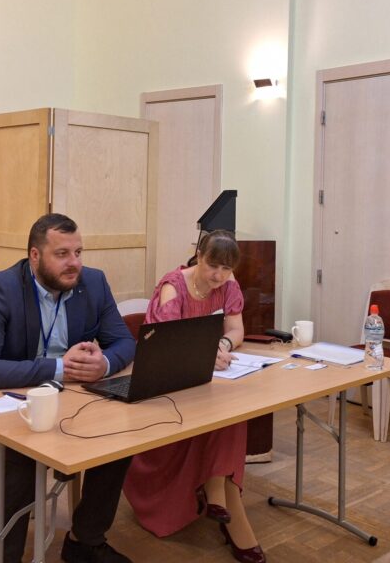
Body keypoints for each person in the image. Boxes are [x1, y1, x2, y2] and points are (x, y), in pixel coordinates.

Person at [0, 213, 136, 563]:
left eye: (78, 252)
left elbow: (125, 342)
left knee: (120, 435)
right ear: (35, 256)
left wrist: (105, 364)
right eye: (62, 254)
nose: (74, 263)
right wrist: (61, 368)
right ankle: (4, 557)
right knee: (21, 452)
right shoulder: (2, 288)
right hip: (1, 405)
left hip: (67, 402)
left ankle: (84, 541)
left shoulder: (93, 283)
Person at [123, 230, 266, 563]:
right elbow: (165, 345)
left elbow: (236, 330)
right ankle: (222, 497)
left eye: (226, 269)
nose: (218, 276)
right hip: (165, 388)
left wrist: (222, 345)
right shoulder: (173, 287)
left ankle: (217, 487)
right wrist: (204, 354)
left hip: (201, 381)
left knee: (233, 411)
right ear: (199, 256)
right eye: (213, 266)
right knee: (227, 415)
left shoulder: (228, 286)